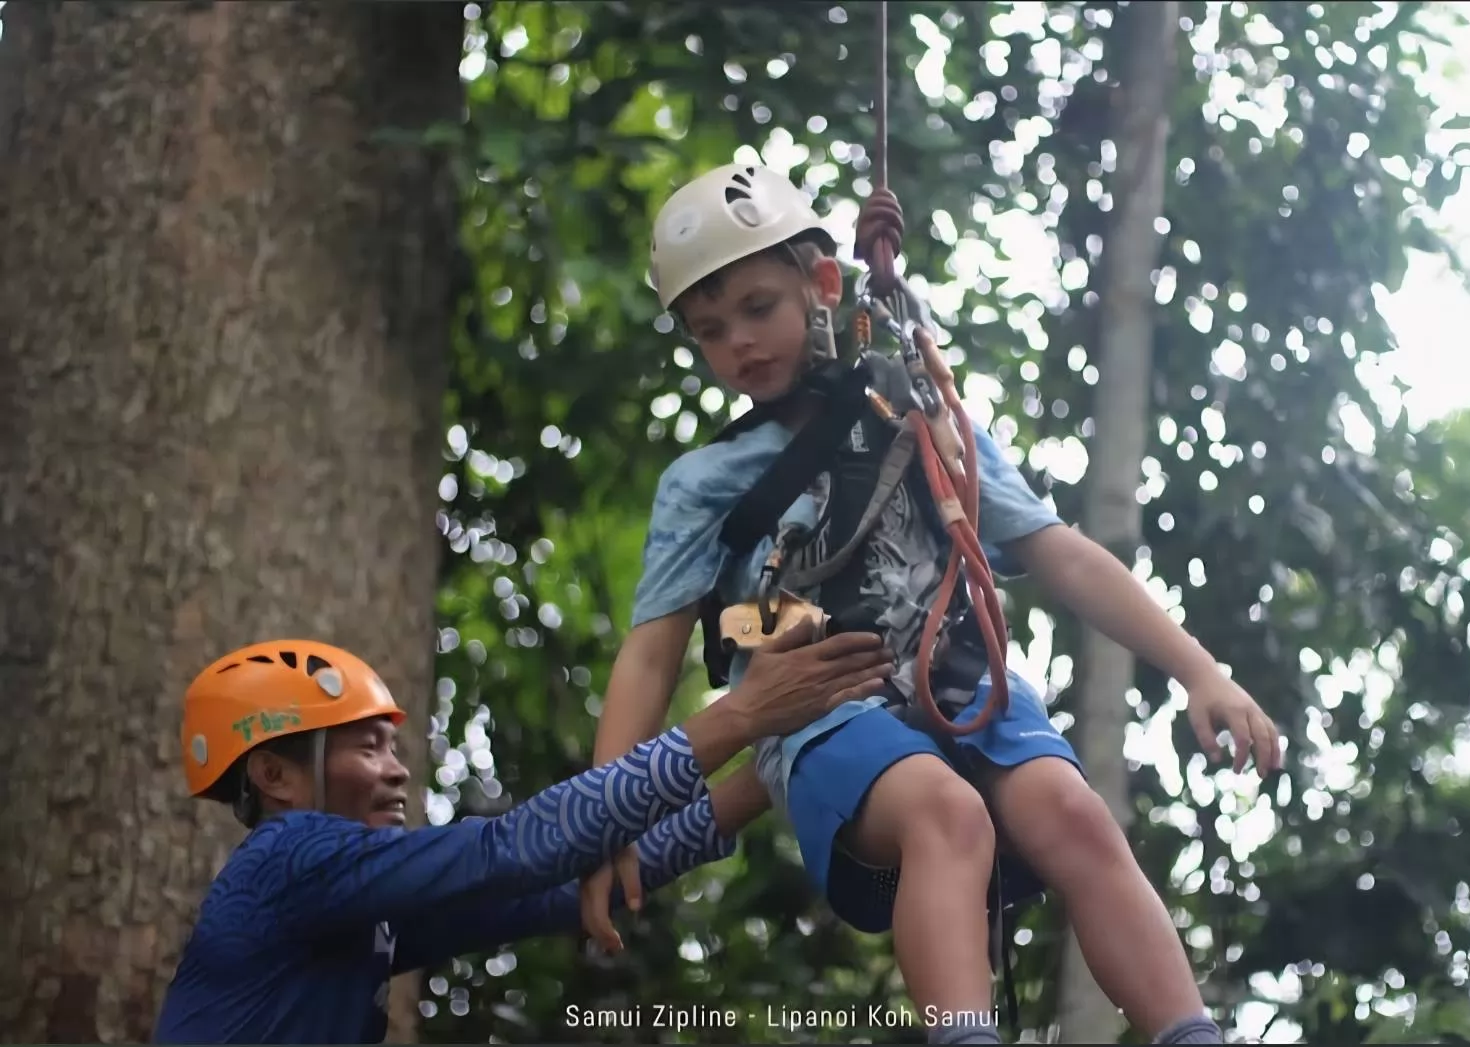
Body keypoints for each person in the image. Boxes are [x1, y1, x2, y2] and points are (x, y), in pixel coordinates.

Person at [580, 163, 1284, 1046]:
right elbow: (651, 653)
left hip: (962, 681)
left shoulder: (919, 412)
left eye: (758, 307)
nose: (740, 343)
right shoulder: (704, 482)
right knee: (942, 813)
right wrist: (606, 817)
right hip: (822, 716)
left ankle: (1190, 1035)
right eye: (710, 331)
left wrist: (1198, 671)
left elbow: (1056, 551)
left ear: (822, 283)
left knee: (1072, 814)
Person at [153, 625, 893, 1044]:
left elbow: (565, 887)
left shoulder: (351, 904)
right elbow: (514, 848)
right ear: (274, 775)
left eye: (393, 748)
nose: (397, 771)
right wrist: (741, 713)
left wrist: (772, 762)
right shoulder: (287, 859)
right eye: (368, 748)